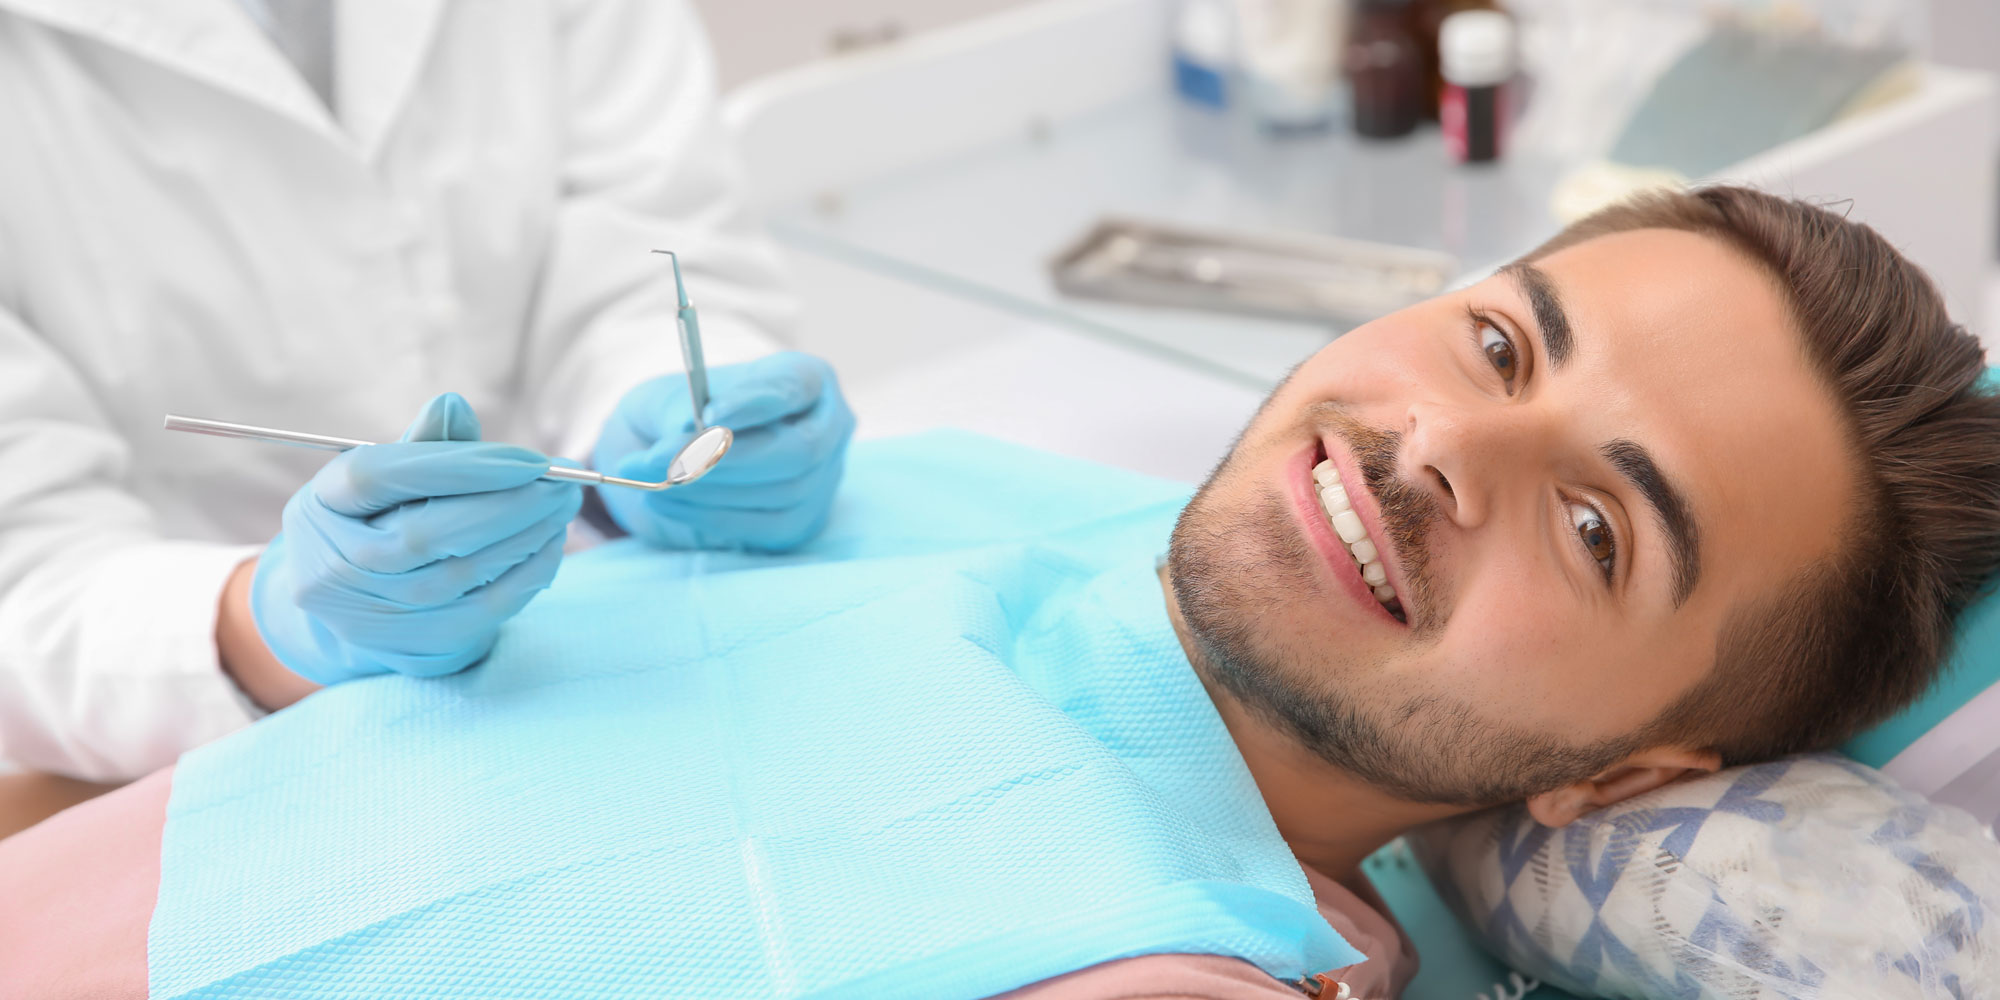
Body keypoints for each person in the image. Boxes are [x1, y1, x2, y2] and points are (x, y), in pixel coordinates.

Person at [4, 187, 1997, 999]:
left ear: (1639, 763)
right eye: (1498, 340)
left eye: (1598, 528)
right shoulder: (1001, 495)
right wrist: (297, 619)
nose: (1445, 447)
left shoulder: (1177, 953)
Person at [0, 0, 853, 779]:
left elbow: (653, 231)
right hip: (215, 754)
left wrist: (674, 400)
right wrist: (276, 620)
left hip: (611, 631)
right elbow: (24, 581)